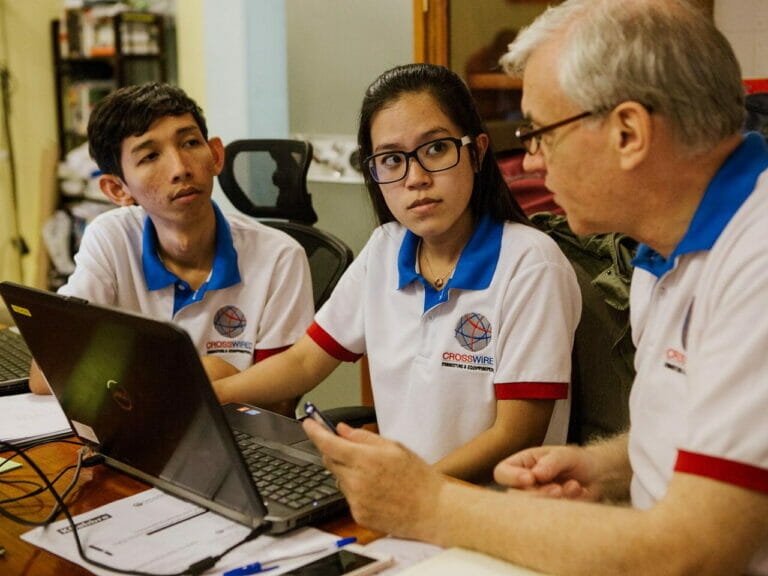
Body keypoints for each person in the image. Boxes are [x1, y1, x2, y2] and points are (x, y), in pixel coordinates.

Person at [301, 1, 768, 574]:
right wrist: (602, 466)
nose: (531, 159)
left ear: (628, 133)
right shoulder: (661, 250)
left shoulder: (756, 264)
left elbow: (693, 551)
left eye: (541, 132)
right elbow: (697, 438)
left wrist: (430, 501)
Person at [214, 63, 581, 483]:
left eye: (436, 149)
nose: (416, 179)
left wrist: (413, 490)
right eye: (391, 160)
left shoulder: (531, 263)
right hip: (407, 503)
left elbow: (516, 433)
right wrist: (210, 395)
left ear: (477, 152)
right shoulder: (385, 249)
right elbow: (302, 362)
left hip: (492, 507)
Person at [29, 82, 314, 416]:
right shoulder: (110, 236)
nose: (180, 168)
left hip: (239, 444)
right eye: (150, 156)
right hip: (142, 435)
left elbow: (279, 404)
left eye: (190, 143)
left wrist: (131, 372)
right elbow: (45, 375)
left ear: (216, 156)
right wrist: (203, 372)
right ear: (117, 188)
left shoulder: (280, 257)